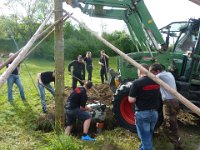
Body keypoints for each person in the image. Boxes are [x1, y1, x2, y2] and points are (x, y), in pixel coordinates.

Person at [149, 63, 183, 150]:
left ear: (157, 71)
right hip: (175, 100)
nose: (152, 74)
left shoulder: (159, 76)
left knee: (170, 125)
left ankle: (178, 146)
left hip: (169, 103)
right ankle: (175, 140)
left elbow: (148, 78)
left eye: (152, 72)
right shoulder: (169, 74)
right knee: (172, 122)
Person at [128, 64, 162, 150]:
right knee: (148, 135)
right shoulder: (157, 81)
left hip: (143, 114)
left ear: (140, 71)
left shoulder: (137, 83)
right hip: (154, 114)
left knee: (145, 137)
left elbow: (131, 100)